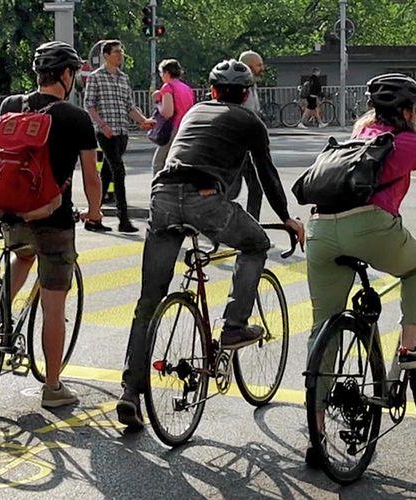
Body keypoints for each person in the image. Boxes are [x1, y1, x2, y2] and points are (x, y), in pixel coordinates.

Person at [115, 59, 306, 430]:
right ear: (247, 93)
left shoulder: (195, 111)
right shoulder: (250, 121)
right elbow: (265, 174)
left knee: (148, 302)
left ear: (212, 91)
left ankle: (129, 393)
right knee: (255, 245)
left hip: (163, 197)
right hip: (205, 202)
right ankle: (234, 325)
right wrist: (285, 217)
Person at [302, 74, 416, 464]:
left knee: (322, 327)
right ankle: (409, 349)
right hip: (370, 227)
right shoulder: (414, 143)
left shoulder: (361, 129)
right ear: (405, 111)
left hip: (319, 230)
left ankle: (316, 436)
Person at [0, 41, 106, 408]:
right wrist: (95, 211)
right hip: (53, 220)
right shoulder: (76, 118)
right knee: (54, 306)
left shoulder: (11, 105)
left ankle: (0, 318)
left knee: (23, 255)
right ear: (66, 75)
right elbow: (91, 176)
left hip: (10, 212)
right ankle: (53, 387)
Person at [83, 40, 154, 233]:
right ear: (106, 55)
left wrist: (143, 120)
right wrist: (102, 125)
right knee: (118, 171)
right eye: (116, 52)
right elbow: (89, 105)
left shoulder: (123, 78)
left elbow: (129, 106)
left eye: (121, 52)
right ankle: (124, 219)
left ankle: (93, 217)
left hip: (122, 131)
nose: (120, 56)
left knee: (106, 173)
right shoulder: (96, 77)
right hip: (106, 132)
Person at [233, 50, 267, 219]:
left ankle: (251, 226)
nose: (262, 68)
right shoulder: (240, 88)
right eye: (258, 65)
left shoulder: (252, 86)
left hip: (248, 146)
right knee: (232, 190)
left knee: (255, 188)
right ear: (248, 66)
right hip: (239, 146)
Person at [150, 59, 194, 172]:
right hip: (186, 126)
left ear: (166, 73)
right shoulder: (187, 88)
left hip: (173, 128)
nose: (161, 76)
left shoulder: (168, 87)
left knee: (159, 162)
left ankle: (158, 186)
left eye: (161, 73)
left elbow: (167, 113)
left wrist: (158, 103)